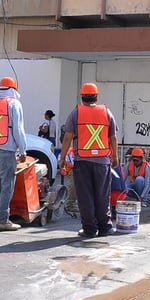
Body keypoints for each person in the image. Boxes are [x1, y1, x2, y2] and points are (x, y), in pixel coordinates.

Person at [59, 82, 119, 238]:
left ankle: (90, 229)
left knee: (85, 197)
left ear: (82, 97)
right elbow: (113, 137)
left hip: (82, 161)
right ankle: (105, 227)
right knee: (102, 195)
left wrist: (63, 157)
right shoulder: (107, 112)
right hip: (102, 162)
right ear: (96, 97)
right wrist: (114, 157)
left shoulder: (75, 113)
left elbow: (67, 137)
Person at [0, 76, 28, 231]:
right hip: (6, 151)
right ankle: (3, 220)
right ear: (14, 89)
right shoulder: (14, 104)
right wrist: (23, 150)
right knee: (7, 186)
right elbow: (18, 129)